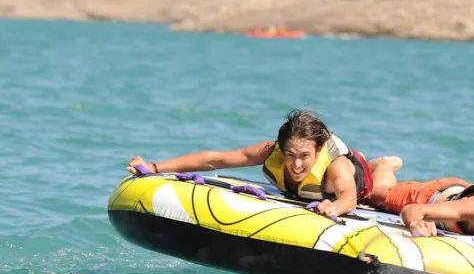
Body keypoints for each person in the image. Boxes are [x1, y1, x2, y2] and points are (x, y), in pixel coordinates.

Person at [126, 109, 401, 218]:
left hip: (358, 179)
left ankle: (383, 164)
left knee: (381, 194)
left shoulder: (336, 165)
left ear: (318, 151)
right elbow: (214, 159)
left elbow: (349, 197)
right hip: (312, 188)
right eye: (290, 154)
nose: (296, 164)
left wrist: (334, 207)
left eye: (304, 156)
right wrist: (155, 168)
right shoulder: (271, 151)